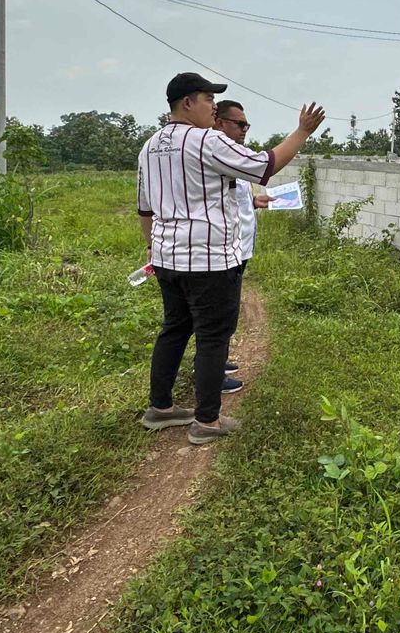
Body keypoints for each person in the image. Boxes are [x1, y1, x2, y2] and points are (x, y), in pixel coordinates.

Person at [137, 72, 324, 443]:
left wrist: (152, 249)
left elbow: (145, 209)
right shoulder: (206, 141)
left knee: (174, 329)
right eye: (208, 99)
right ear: (187, 103)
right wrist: (302, 131)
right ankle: (207, 421)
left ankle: (160, 408)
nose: (213, 107)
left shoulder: (150, 147)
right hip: (209, 260)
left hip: (168, 258)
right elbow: (266, 165)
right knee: (212, 338)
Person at [213, 99, 270, 385]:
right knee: (221, 313)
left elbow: (236, 199)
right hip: (226, 250)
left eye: (247, 124)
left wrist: (255, 201)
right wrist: (302, 131)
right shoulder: (218, 155)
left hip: (240, 248)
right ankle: (212, 372)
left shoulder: (235, 157)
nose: (245, 129)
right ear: (219, 122)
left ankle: (218, 361)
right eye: (240, 124)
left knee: (228, 310)